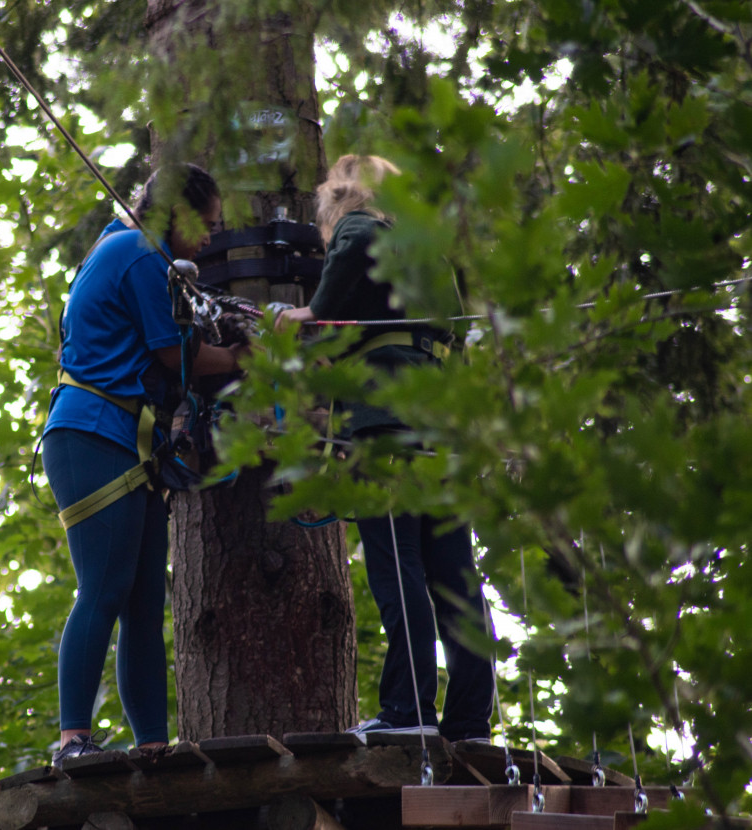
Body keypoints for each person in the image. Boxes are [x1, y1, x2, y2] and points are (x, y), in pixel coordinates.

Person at [278, 155, 494, 743]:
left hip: (387, 424)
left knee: (398, 566)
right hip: (441, 428)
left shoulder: (360, 222)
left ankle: (409, 711)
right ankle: (471, 719)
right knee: (454, 576)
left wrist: (315, 311)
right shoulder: (432, 256)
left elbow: (354, 244)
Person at [43, 163, 245, 764]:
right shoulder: (136, 252)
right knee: (103, 588)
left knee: (141, 605)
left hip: (127, 441)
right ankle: (72, 738)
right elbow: (174, 354)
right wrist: (242, 356)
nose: (210, 238)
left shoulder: (132, 250)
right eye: (205, 225)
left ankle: (153, 746)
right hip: (92, 433)